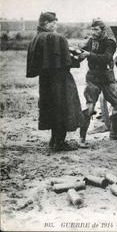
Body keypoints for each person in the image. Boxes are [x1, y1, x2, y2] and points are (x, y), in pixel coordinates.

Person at [26, 12, 82, 151]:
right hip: (60, 79)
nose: (55, 25)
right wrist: (79, 58)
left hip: (45, 80)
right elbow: (66, 62)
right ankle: (60, 142)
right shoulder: (56, 37)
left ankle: (53, 139)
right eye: (54, 23)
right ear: (46, 23)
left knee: (51, 108)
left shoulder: (36, 38)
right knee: (64, 107)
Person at [78, 18, 117, 147]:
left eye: (96, 29)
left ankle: (115, 134)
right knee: (89, 108)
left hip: (106, 78)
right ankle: (82, 138)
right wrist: (76, 56)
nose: (93, 32)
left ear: (103, 30)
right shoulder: (90, 41)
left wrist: (89, 55)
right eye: (92, 29)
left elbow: (107, 58)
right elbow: (83, 54)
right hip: (93, 78)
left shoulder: (110, 43)